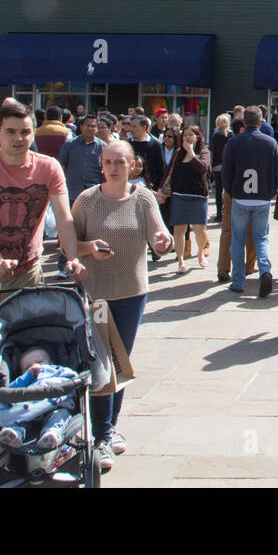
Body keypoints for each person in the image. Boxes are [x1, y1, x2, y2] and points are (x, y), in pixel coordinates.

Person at [0, 106, 86, 475]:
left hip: (27, 273)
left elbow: (65, 216)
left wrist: (72, 259)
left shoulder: (48, 167)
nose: (18, 139)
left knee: (28, 358)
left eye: (25, 132)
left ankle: (25, 426)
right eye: (11, 131)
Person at [71, 140, 173, 470]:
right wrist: (87, 250)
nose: (114, 167)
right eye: (108, 161)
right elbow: (68, 245)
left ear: (133, 165)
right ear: (101, 165)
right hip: (96, 293)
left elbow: (160, 234)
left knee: (120, 361)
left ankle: (108, 428)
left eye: (120, 162)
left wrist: (164, 241)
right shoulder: (87, 200)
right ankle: (101, 436)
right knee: (103, 363)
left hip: (132, 293)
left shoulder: (143, 198)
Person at [221, 107, 278, 297]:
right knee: (261, 237)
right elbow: (277, 174)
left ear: (244, 122)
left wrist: (231, 190)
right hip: (262, 197)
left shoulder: (234, 142)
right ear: (261, 121)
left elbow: (226, 171)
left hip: (240, 197)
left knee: (237, 240)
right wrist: (270, 193)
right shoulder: (270, 142)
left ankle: (238, 281)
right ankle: (265, 270)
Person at [0, 347, 78, 451]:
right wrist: (28, 376)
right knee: (19, 419)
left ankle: (51, 433)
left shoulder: (56, 371)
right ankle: (15, 433)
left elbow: (71, 378)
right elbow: (10, 391)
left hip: (54, 406)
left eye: (40, 362)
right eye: (27, 367)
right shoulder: (25, 381)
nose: (35, 366)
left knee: (61, 414)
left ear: (51, 362)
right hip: (28, 410)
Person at [160, 125, 211, 272]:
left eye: (191, 135)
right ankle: (181, 260)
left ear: (197, 137)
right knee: (179, 230)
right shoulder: (178, 153)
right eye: (185, 135)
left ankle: (201, 253)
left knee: (200, 229)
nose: (188, 138)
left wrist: (191, 153)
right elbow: (169, 172)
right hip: (179, 195)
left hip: (198, 196)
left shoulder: (204, 152)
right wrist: (161, 189)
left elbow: (202, 167)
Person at [57, 114, 105, 206]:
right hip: (72, 194)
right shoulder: (70, 145)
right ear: (81, 126)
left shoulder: (103, 147)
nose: (90, 128)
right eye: (87, 125)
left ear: (97, 128)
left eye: (93, 126)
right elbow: (60, 166)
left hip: (94, 194)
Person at [127, 116, 165, 192]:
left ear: (144, 127)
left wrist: (155, 187)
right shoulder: (126, 144)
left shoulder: (155, 145)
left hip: (147, 188)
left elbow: (161, 169)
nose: (131, 129)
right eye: (130, 126)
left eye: (134, 126)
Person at [209, 113, 231, 221]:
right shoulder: (231, 135)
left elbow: (213, 152)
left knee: (218, 190)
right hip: (229, 166)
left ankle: (219, 213)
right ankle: (227, 212)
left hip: (217, 166)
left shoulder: (215, 136)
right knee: (228, 190)